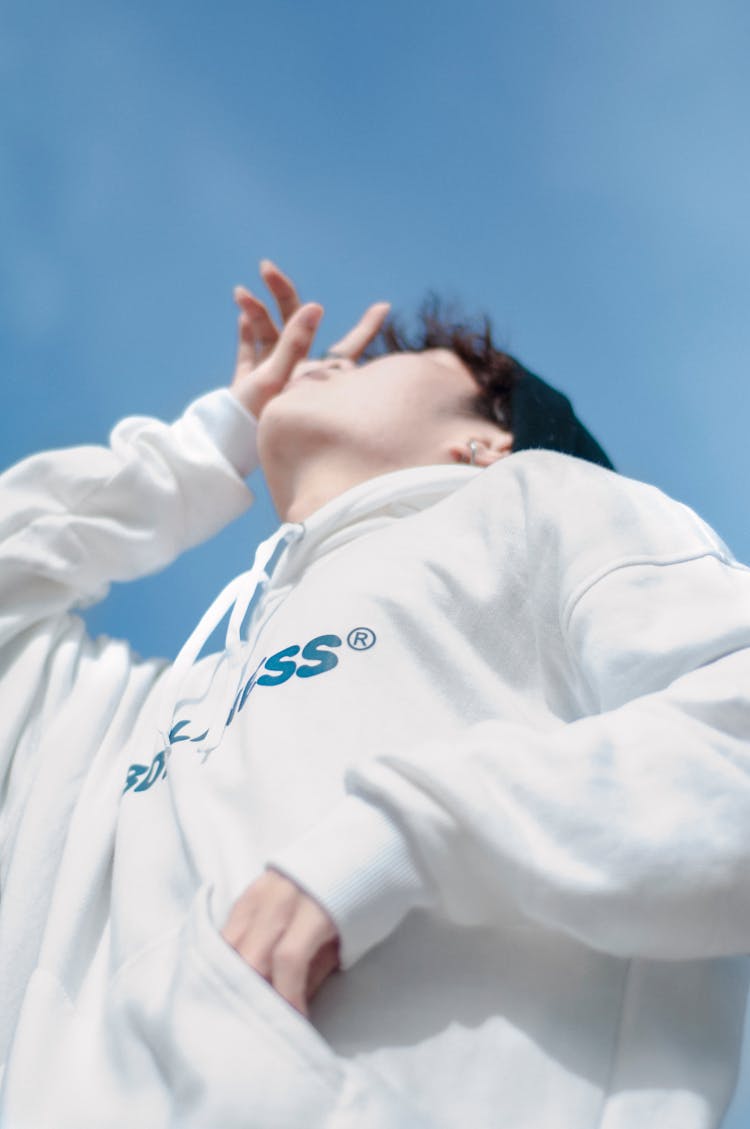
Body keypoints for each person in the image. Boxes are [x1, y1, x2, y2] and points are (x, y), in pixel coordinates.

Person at [0, 259, 748, 1129]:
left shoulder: (542, 511)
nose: (336, 359)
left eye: (404, 352)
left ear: (489, 438)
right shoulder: (132, 719)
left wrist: (404, 833)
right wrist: (202, 446)